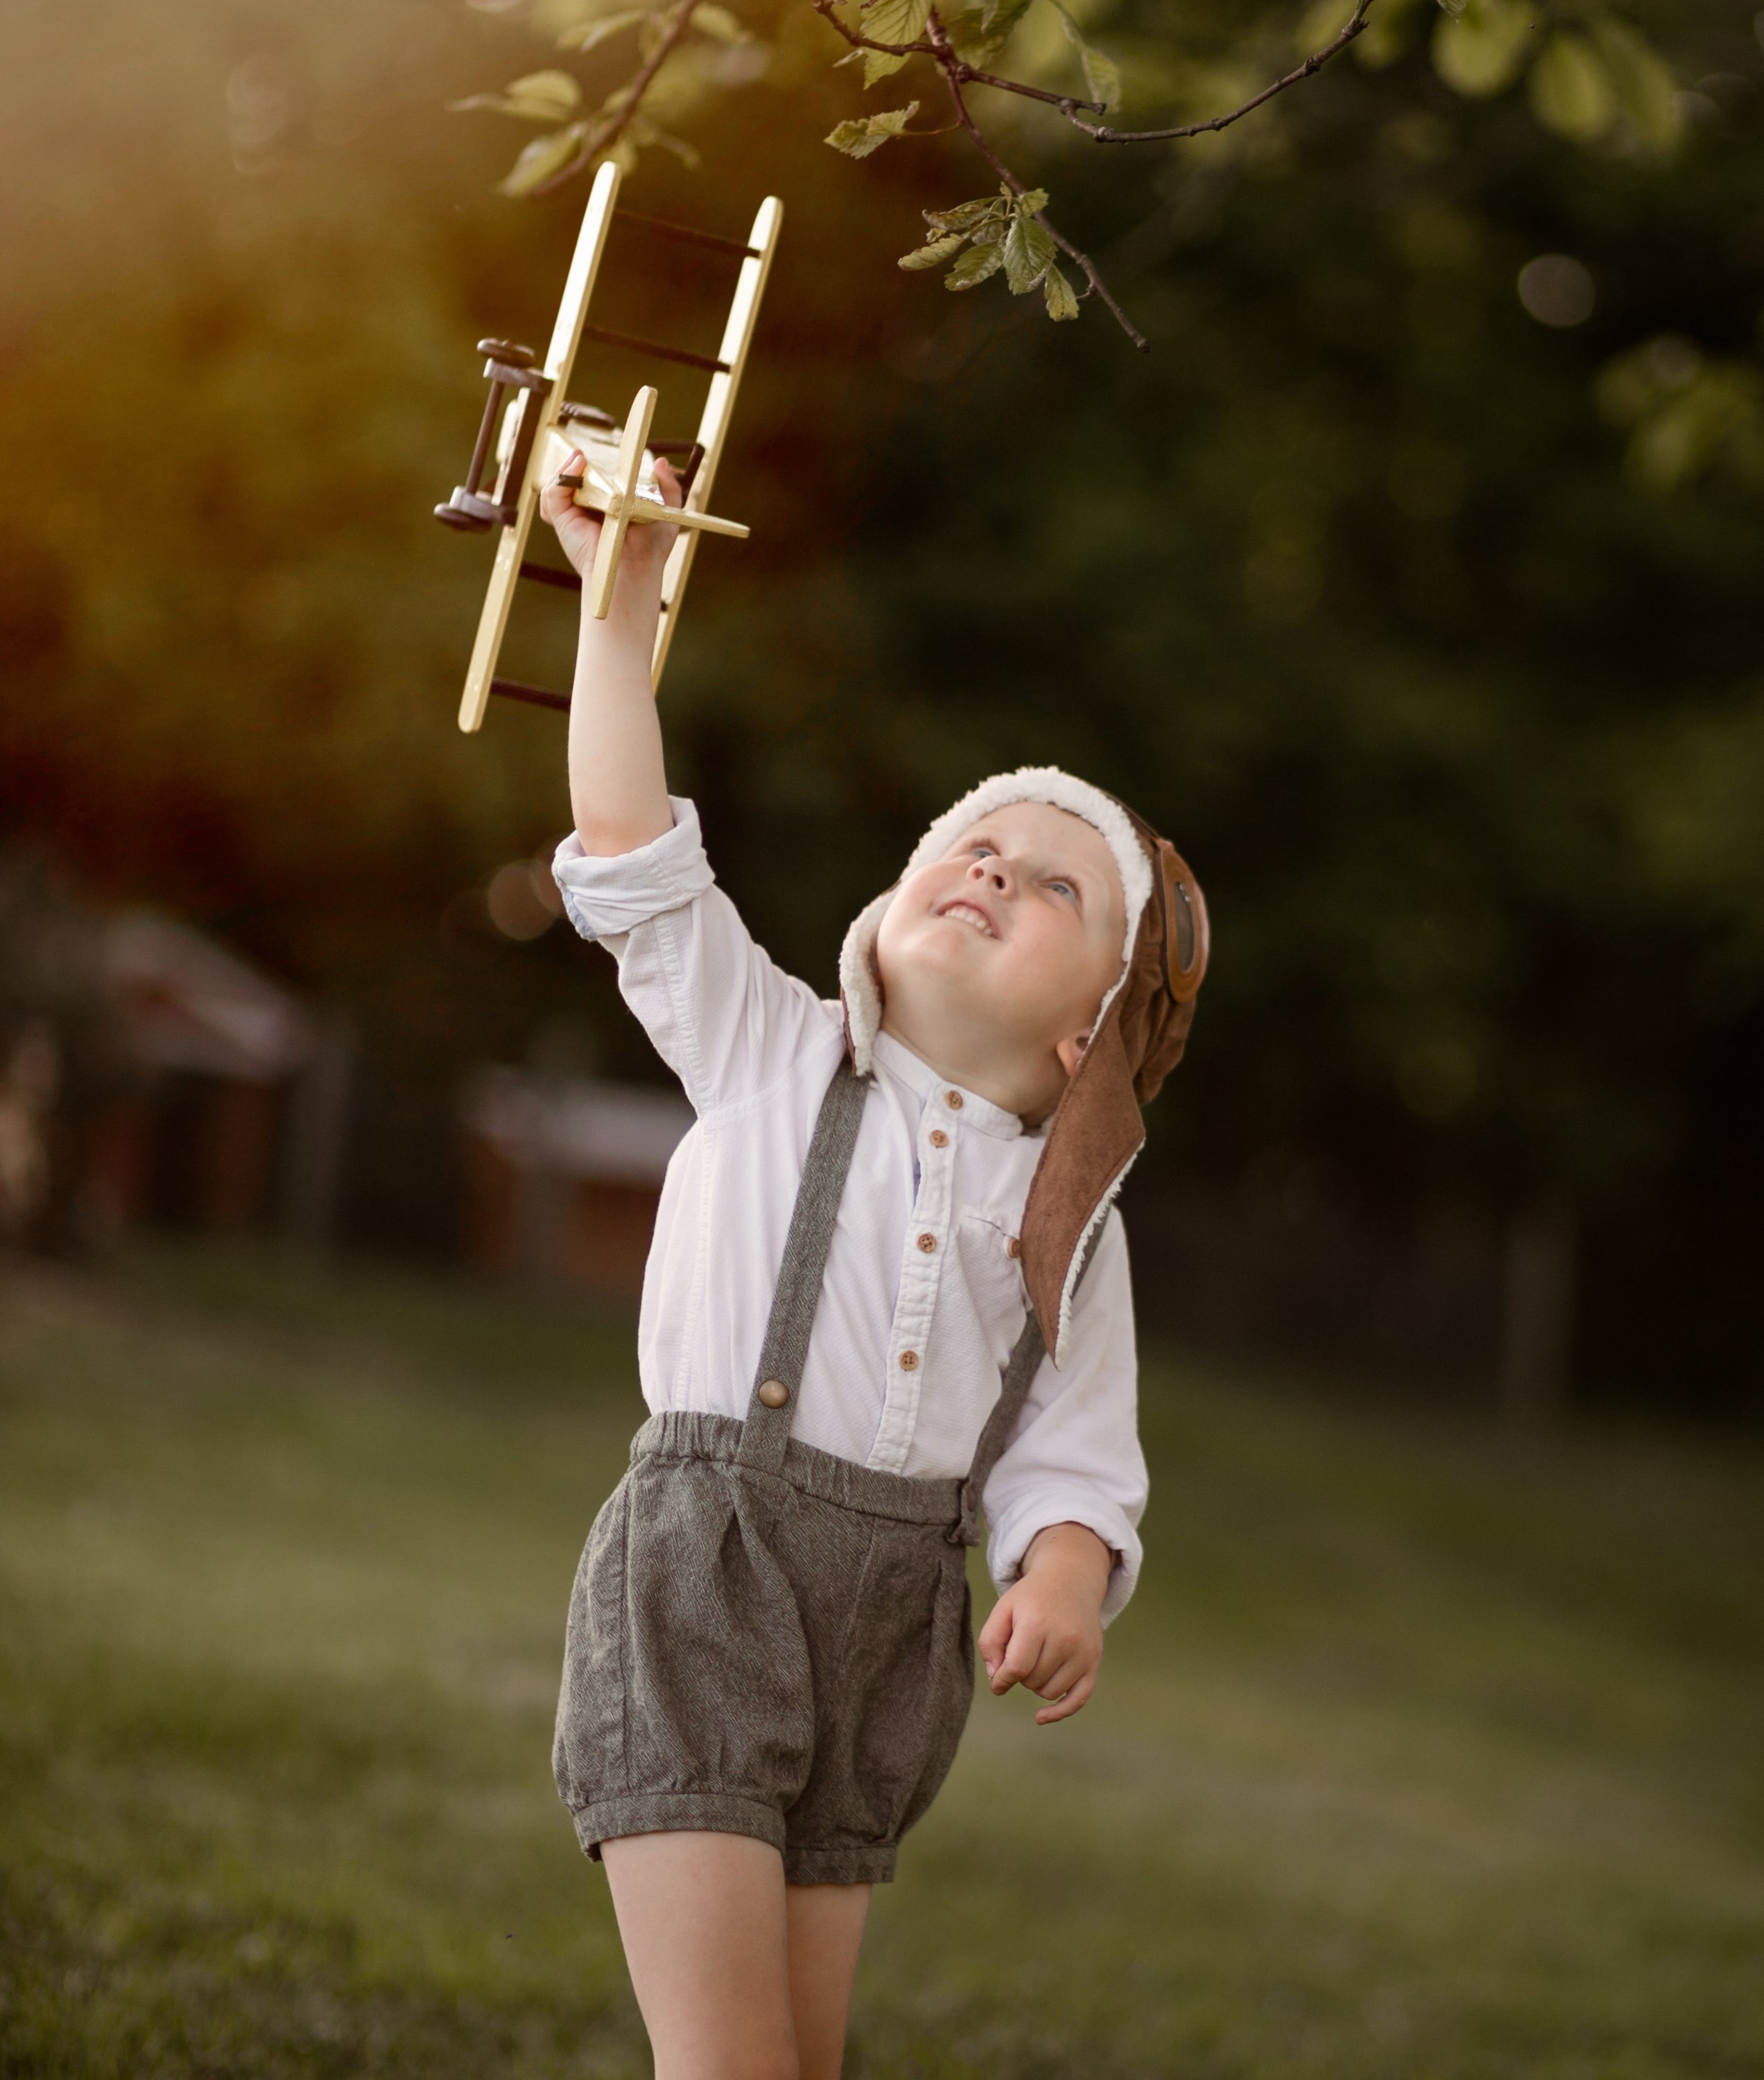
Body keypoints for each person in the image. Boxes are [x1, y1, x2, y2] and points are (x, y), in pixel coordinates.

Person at [539, 453, 1209, 2080]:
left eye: (1054, 886)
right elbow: (631, 845)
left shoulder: (1074, 1223)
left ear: (1090, 1035)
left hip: (893, 1632)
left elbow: (1072, 1451)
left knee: (805, 2059)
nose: (992, 867)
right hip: (710, 1575)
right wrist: (618, 606)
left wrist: (1057, 1578)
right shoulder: (770, 1049)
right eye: (974, 842)